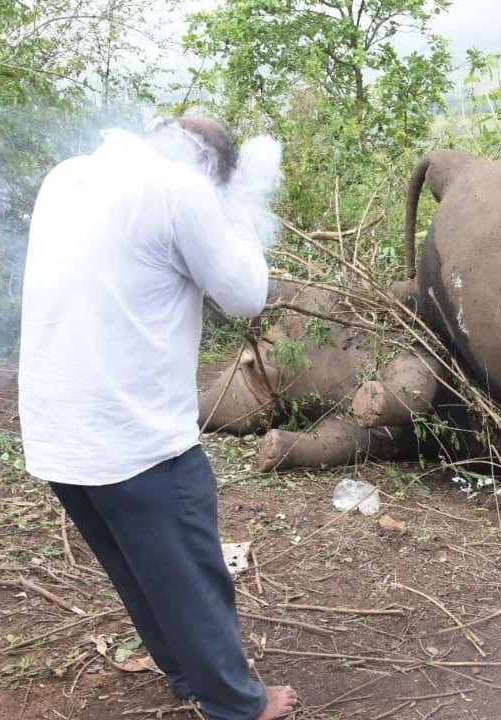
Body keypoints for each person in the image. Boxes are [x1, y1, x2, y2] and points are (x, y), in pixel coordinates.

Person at [17, 115, 297, 720]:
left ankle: (188, 671)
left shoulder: (68, 176)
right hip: (133, 438)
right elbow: (247, 293)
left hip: (56, 434)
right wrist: (242, 206)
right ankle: (236, 702)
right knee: (192, 573)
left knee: (140, 569)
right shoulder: (178, 188)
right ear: (204, 163)